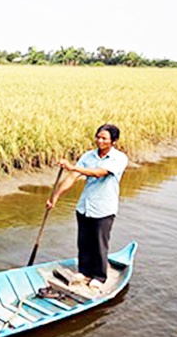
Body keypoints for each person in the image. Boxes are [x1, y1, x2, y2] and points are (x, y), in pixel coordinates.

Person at [46, 124, 128, 290]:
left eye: (104, 138)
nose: (100, 140)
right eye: (98, 137)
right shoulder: (88, 156)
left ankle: (99, 276)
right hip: (85, 206)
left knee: (99, 243)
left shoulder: (119, 158)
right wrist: (55, 196)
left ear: (114, 141)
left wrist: (73, 166)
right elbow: (73, 177)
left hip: (104, 208)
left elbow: (99, 173)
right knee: (83, 242)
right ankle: (84, 271)